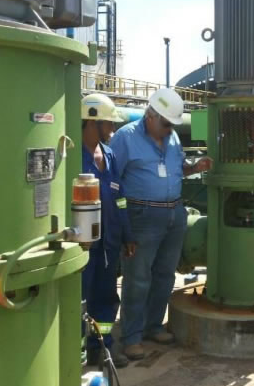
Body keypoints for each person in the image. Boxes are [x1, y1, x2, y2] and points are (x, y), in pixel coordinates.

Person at [109, 88, 213, 361]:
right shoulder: (126, 138)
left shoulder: (173, 136)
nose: (169, 129)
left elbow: (178, 169)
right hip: (141, 216)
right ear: (151, 116)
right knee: (138, 278)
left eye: (172, 125)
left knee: (166, 275)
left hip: (174, 213)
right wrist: (122, 223)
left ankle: (153, 326)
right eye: (166, 124)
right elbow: (112, 182)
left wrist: (195, 167)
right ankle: (131, 336)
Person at [80, 94, 136, 369]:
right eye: (108, 123)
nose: (112, 128)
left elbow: (120, 198)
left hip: (109, 241)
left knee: (106, 297)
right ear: (93, 121)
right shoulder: (72, 154)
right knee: (80, 298)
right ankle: (74, 350)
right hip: (82, 244)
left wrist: (127, 234)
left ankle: (100, 348)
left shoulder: (110, 155)